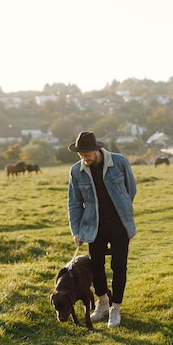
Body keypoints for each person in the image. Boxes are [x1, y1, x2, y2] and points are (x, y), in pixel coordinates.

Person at [67, 131, 137, 328]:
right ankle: (103, 303)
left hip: (119, 225)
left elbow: (131, 189)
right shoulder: (75, 171)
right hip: (93, 226)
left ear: (97, 150)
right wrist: (76, 230)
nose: (84, 159)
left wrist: (122, 208)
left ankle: (116, 307)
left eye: (87, 154)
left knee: (119, 266)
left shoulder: (120, 162)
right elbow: (74, 203)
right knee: (96, 266)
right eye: (81, 155)